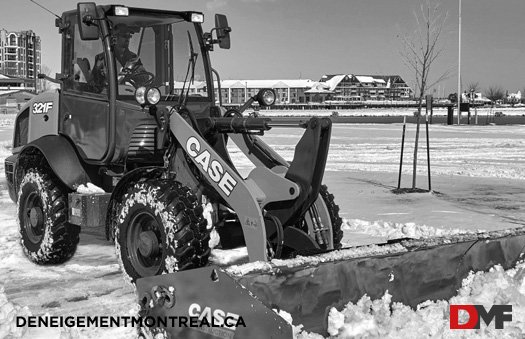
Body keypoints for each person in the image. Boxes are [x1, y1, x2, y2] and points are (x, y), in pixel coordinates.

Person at [91, 23, 150, 92]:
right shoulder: (102, 58)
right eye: (124, 36)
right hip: (108, 96)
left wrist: (133, 74)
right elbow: (95, 82)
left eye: (129, 36)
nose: (127, 39)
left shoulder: (134, 58)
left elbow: (145, 77)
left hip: (128, 95)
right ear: (114, 38)